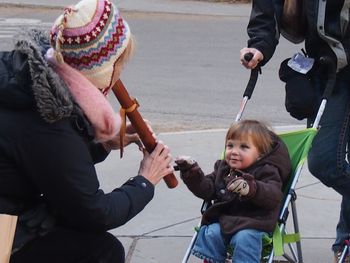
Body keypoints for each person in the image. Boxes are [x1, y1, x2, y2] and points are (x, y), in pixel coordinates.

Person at [0, 0, 174, 262]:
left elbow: (50, 162)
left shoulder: (33, 76)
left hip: (15, 205)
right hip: (7, 228)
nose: (119, 73)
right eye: (118, 64)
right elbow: (94, 212)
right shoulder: (48, 119)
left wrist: (103, 143)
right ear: (101, 70)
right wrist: (145, 181)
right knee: (103, 253)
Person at [240, 1, 350, 261]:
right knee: (324, 162)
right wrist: (259, 45)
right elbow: (268, 9)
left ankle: (345, 242)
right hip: (331, 68)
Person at [175, 120, 291, 263]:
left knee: (244, 238)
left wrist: (251, 189)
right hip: (226, 219)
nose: (234, 152)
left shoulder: (267, 171)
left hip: (255, 222)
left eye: (244, 147)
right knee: (211, 233)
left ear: (260, 154)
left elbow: (273, 196)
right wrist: (191, 171)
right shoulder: (223, 168)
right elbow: (207, 189)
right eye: (230, 145)